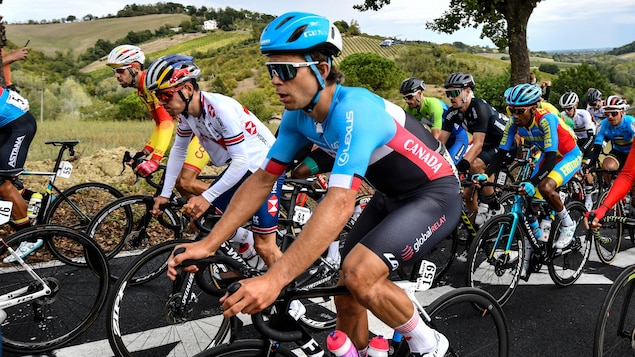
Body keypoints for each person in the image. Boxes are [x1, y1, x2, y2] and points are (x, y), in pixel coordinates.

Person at [166, 12, 461, 357]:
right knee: (344, 293)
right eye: (271, 70)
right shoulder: (297, 117)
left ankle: (429, 344)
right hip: (390, 196)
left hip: (434, 194)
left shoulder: (355, 109)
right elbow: (262, 180)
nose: (276, 81)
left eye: (285, 71)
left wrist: (273, 280)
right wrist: (209, 243)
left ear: (321, 69)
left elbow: (339, 203)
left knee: (359, 274)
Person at [146, 54, 285, 269]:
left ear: (188, 89)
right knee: (200, 221)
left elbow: (240, 161)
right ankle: (250, 263)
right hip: (243, 167)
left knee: (265, 246)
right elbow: (179, 149)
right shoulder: (186, 114)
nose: (162, 104)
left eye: (166, 96)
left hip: (266, 167)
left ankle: (291, 302)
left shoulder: (220, 109)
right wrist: (164, 194)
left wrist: (207, 197)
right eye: (159, 98)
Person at [477, 83, 582, 277]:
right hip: (547, 155)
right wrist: (486, 175)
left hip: (567, 155)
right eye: (511, 109)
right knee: (528, 199)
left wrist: (533, 183)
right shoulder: (513, 123)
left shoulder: (546, 119)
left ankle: (567, 223)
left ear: (533, 108)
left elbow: (551, 157)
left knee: (545, 186)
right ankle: (539, 237)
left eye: (519, 110)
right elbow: (500, 155)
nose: (514, 114)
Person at [106, 45, 209, 197]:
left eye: (120, 70)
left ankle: (237, 206)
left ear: (134, 68)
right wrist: (145, 151)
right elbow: (159, 124)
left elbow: (167, 124)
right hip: (189, 131)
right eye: (114, 71)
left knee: (185, 182)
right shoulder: (142, 90)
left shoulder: (153, 86)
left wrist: (155, 159)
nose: (116, 75)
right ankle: (204, 218)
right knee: (179, 185)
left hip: (203, 132)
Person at [439, 72, 513, 226]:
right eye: (448, 93)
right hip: (487, 144)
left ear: (467, 91)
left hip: (505, 145)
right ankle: (475, 233)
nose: (451, 97)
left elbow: (478, 144)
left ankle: (495, 207)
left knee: (475, 165)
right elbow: (441, 142)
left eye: (454, 93)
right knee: (467, 194)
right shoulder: (452, 112)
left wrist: (462, 165)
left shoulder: (478, 107)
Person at [0, 86, 38, 256]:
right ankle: (37, 197)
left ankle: (30, 238)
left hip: (18, 127)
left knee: (2, 184)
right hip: (7, 125)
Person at [399, 77, 468, 164]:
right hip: (442, 138)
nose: (407, 101)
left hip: (457, 138)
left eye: (409, 97)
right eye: (404, 98)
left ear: (419, 94)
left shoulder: (433, 105)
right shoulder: (410, 109)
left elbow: (436, 135)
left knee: (449, 166)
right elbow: (409, 132)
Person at [585, 95, 635, 199]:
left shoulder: (630, 123)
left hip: (632, 153)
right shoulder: (603, 125)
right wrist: (589, 164)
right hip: (618, 152)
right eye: (607, 113)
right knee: (606, 167)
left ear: (622, 112)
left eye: (614, 113)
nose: (610, 117)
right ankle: (610, 189)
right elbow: (597, 148)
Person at [559, 91, 596, 210]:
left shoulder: (584, 114)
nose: (567, 112)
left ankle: (589, 197)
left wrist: (582, 150)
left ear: (575, 105)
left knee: (585, 168)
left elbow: (591, 137)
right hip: (574, 140)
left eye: (569, 108)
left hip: (588, 140)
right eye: (565, 109)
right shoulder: (562, 115)